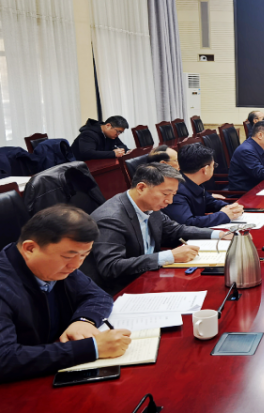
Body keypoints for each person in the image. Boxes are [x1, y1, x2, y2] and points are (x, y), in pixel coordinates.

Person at [0, 205, 132, 382]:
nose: (76, 265)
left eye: (84, 255)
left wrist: (84, 320)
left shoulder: (59, 268)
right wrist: (92, 348)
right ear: (30, 248)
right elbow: (5, 358)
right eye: (68, 256)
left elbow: (98, 296)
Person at [81, 163, 223, 295]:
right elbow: (111, 267)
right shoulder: (111, 218)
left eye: (173, 195)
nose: (170, 201)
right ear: (141, 188)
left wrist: (219, 235)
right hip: (123, 290)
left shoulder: (149, 205)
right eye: (165, 194)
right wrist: (169, 256)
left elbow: (176, 230)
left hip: (151, 278)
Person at [162, 144, 244, 228]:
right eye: (213, 165)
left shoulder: (192, 181)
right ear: (205, 169)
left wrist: (229, 208)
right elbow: (187, 223)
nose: (213, 168)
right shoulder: (175, 190)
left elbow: (209, 202)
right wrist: (223, 215)